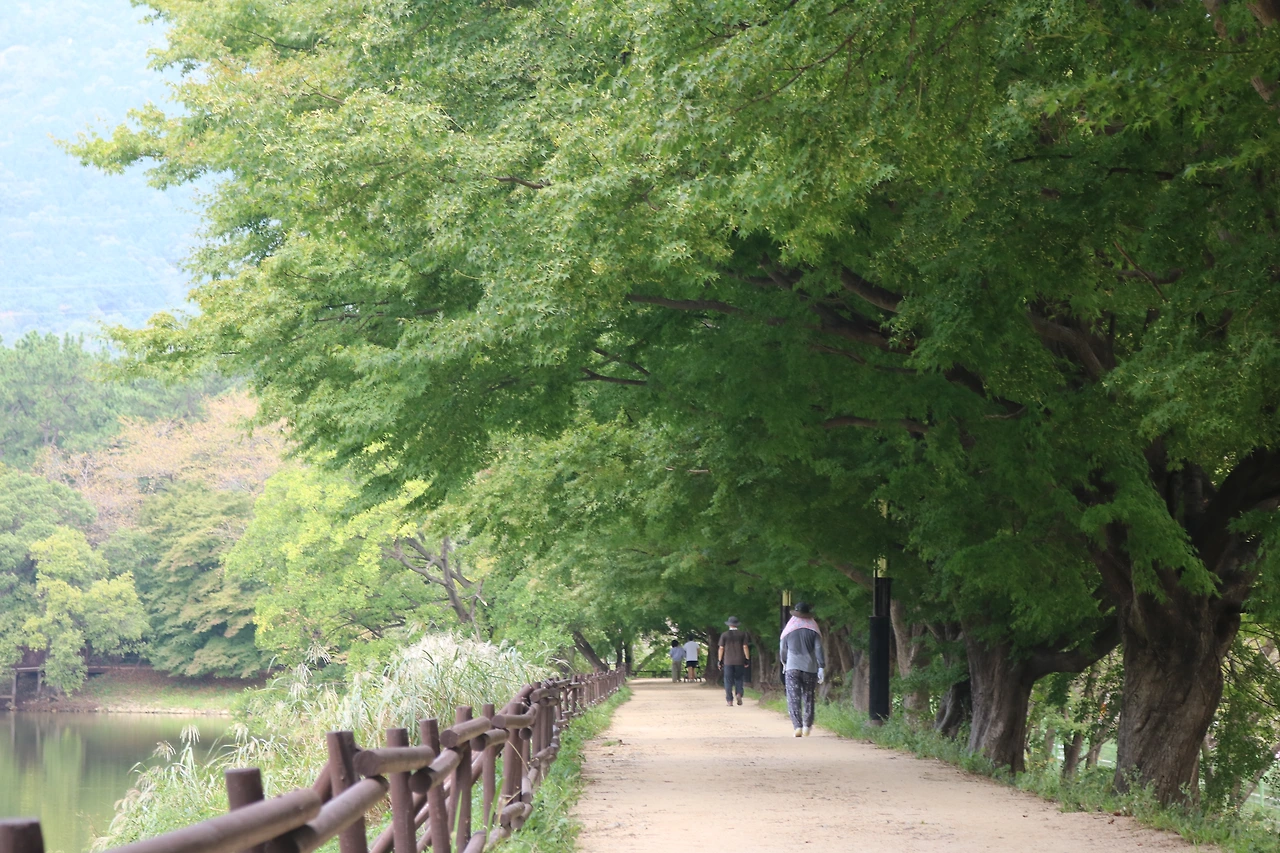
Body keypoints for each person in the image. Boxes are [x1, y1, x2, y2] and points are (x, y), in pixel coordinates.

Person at [779, 601, 825, 736]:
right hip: (810, 668)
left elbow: (782, 649)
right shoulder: (814, 629)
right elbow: (818, 649)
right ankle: (807, 726)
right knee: (809, 696)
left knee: (793, 697)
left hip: (792, 667)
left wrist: (784, 662)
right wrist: (821, 666)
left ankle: (797, 726)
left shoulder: (789, 629)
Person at [718, 617, 750, 706]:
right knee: (739, 679)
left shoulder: (724, 635)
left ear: (728, 624)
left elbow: (721, 648)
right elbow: (745, 647)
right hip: (740, 661)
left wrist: (720, 660)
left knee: (728, 681)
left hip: (728, 661)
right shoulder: (742, 634)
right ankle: (739, 693)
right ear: (737, 625)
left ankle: (729, 700)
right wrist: (747, 659)